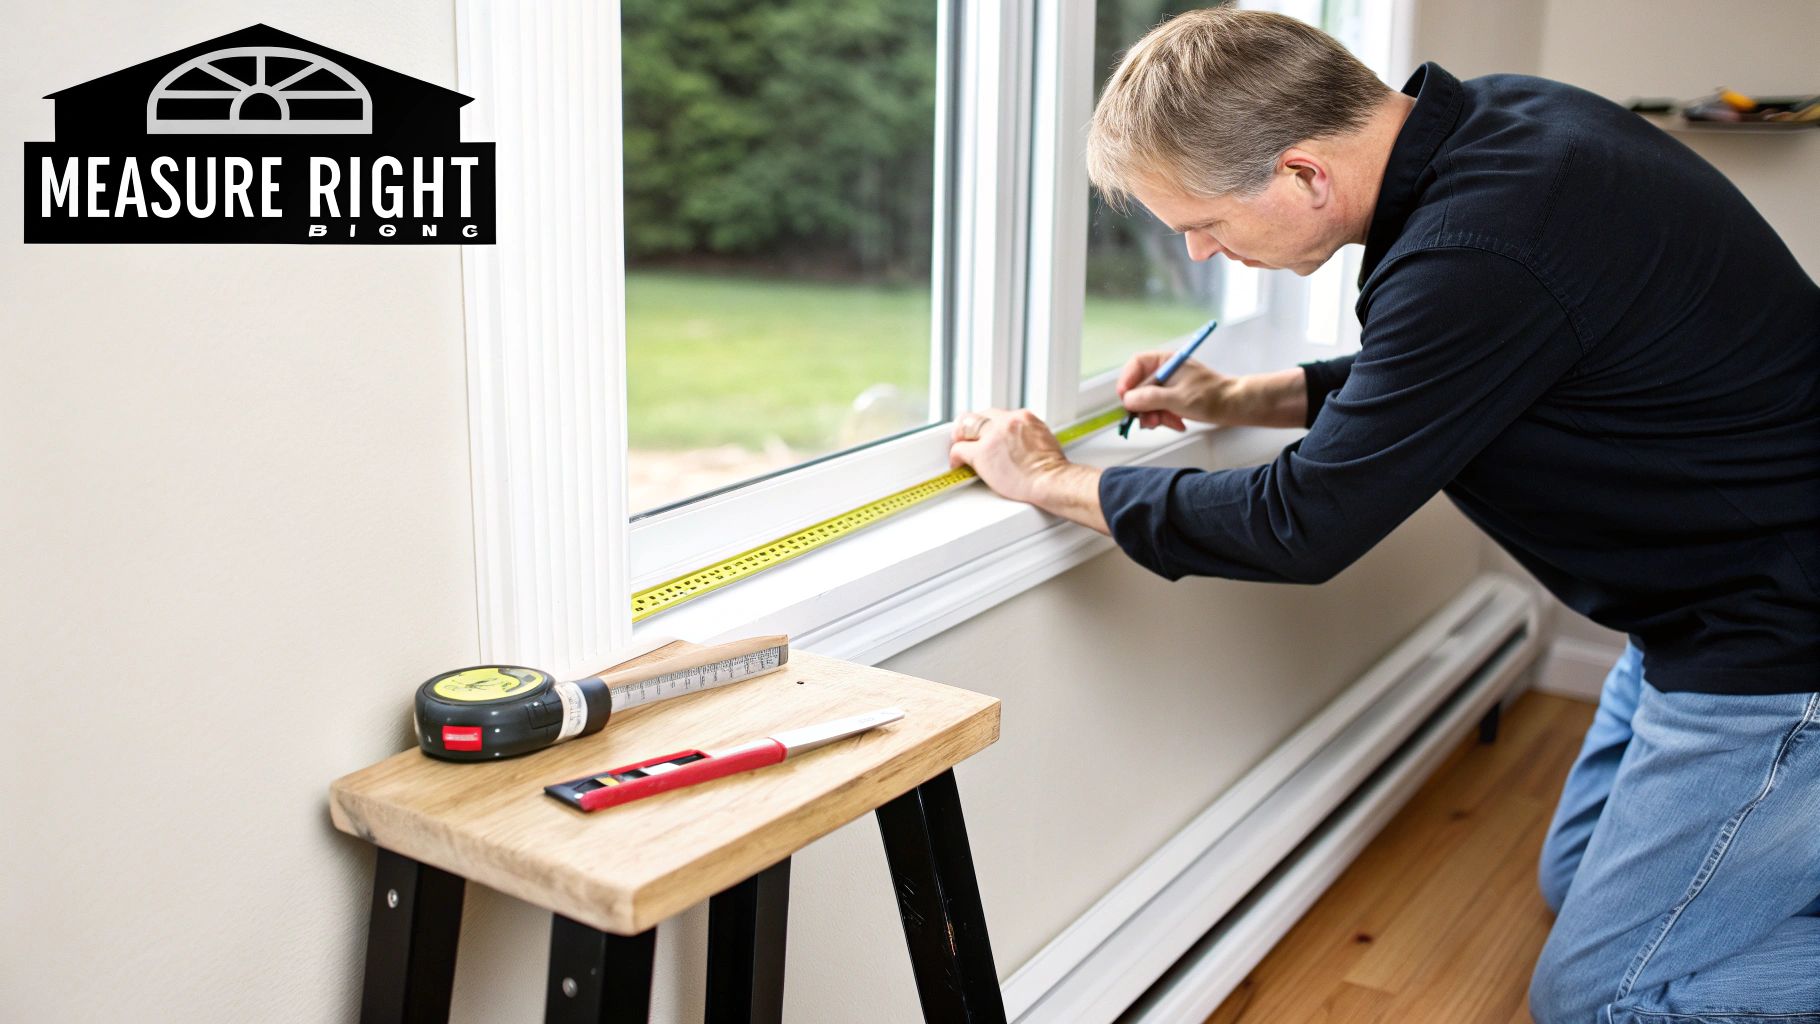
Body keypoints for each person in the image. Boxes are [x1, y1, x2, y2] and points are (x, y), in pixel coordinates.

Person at [946, 8, 1820, 1023]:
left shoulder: (1480, 244)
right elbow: (1467, 367)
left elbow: (1301, 523)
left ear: (1305, 174)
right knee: (1570, 880)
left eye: (1205, 222)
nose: (1196, 249)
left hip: (1772, 635)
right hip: (1696, 605)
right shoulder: (1508, 129)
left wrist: (1048, 482)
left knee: (1601, 1000)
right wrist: (1245, 398)